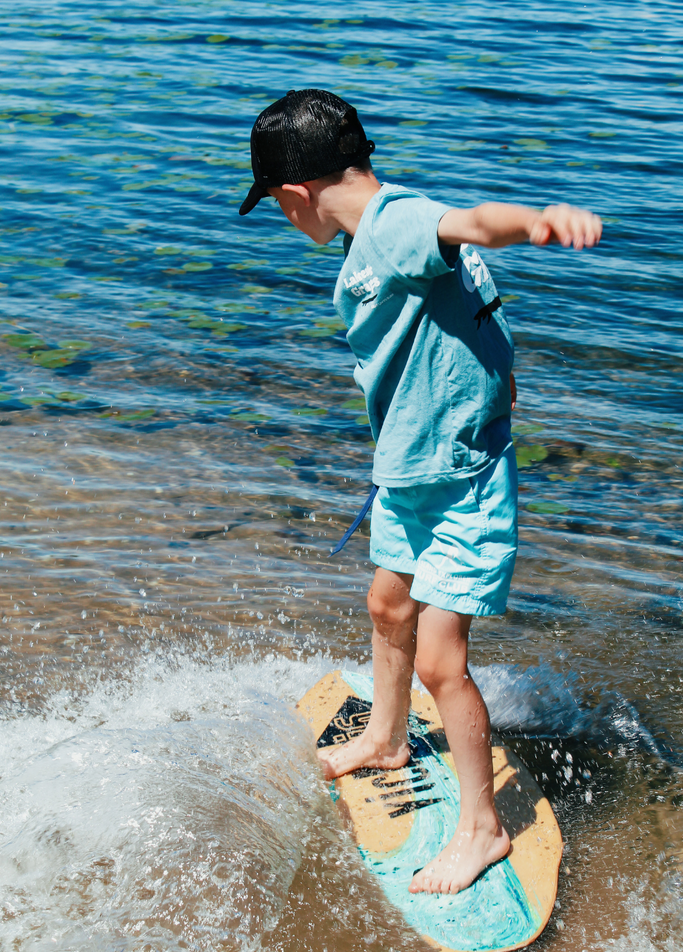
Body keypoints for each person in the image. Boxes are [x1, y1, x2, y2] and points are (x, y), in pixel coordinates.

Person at [239, 89, 601, 895]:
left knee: (443, 661)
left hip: (460, 482)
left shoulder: (394, 225)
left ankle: (483, 829)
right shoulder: (373, 232)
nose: (284, 220)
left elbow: (469, 222)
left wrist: (536, 220)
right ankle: (387, 738)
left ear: (296, 194)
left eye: (275, 206)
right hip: (410, 474)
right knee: (387, 606)